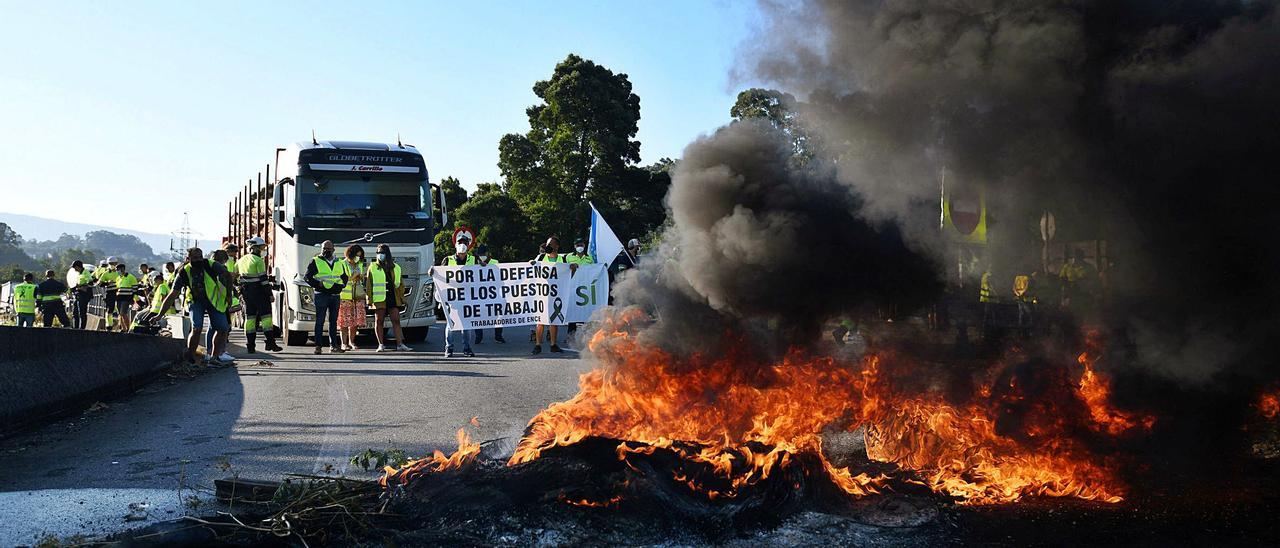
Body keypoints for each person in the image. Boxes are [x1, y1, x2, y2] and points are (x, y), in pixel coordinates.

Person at [155, 247, 234, 365]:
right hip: (195, 301)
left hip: (214, 300)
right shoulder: (183, 272)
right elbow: (172, 294)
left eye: (200, 257)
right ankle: (190, 358)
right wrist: (160, 314)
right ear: (188, 258)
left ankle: (214, 357)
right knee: (197, 328)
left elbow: (227, 276)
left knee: (222, 328)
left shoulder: (211, 265)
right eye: (195, 258)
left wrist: (229, 295)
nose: (199, 260)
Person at [237, 236, 283, 354]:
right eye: (262, 248)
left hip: (246, 294)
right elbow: (264, 280)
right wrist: (270, 294)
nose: (263, 250)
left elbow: (234, 276)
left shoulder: (241, 260)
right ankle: (270, 343)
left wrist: (239, 288)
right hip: (260, 293)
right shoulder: (258, 261)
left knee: (250, 318)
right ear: (255, 248)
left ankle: (250, 346)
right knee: (266, 318)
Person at [304, 240, 348, 354]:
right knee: (320, 321)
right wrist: (318, 284)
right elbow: (307, 277)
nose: (326, 251)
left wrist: (342, 286)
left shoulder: (339, 262)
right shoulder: (315, 261)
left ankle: (333, 346)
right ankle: (318, 346)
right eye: (324, 249)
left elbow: (344, 276)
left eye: (328, 249)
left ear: (333, 250)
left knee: (333, 322)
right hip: (321, 294)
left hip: (335, 295)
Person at [367, 243, 411, 352]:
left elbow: (401, 285)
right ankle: (381, 344)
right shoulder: (372, 267)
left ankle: (400, 344)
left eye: (382, 252)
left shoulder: (396, 267)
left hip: (393, 297)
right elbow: (369, 284)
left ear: (387, 254)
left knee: (396, 320)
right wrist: (369, 299)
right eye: (378, 253)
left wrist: (402, 299)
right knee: (379, 321)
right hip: (379, 298)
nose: (379, 255)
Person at [532, 236, 567, 354]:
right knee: (540, 320)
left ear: (557, 246)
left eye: (551, 244)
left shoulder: (562, 259)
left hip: (556, 293)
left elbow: (568, 273)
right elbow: (531, 265)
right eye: (547, 244)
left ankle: (553, 345)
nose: (548, 246)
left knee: (554, 320)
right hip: (542, 293)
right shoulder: (541, 257)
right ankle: (538, 345)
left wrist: (573, 267)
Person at [441, 236, 475, 357]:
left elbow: (485, 271)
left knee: (466, 325)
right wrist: (432, 271)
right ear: (455, 245)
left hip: (468, 297)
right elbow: (439, 274)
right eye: (460, 242)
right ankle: (449, 348)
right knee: (451, 324)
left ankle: (467, 348)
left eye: (465, 243)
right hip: (452, 298)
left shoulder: (473, 259)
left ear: (468, 245)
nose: (462, 245)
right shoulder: (448, 259)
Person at [471, 244, 505, 344]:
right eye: (480, 254)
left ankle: (498, 336)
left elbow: (501, 277)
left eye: (483, 254)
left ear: (488, 254)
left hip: (494, 294)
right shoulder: (474, 264)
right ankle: (478, 336)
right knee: (479, 316)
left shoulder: (495, 262)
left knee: (498, 316)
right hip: (479, 295)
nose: (482, 256)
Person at [337, 244, 368, 352]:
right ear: (350, 254)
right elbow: (340, 279)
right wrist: (353, 277)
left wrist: (361, 276)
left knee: (355, 322)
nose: (358, 258)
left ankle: (352, 341)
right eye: (357, 255)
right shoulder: (341, 264)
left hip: (357, 296)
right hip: (345, 296)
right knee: (344, 322)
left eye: (360, 256)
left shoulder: (359, 264)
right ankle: (344, 343)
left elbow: (361, 277)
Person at [564, 237, 595, 339]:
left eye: (581, 245)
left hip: (585, 288)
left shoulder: (589, 258)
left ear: (584, 246)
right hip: (572, 287)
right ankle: (570, 335)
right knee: (573, 310)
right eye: (578, 245)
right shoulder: (569, 257)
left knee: (586, 310)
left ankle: (587, 336)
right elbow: (563, 269)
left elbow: (594, 270)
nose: (580, 247)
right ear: (574, 246)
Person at [113, 262, 140, 332]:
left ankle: (128, 328)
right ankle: (123, 328)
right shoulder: (118, 278)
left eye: (118, 270)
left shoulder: (131, 277)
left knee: (123, 313)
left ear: (122, 269)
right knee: (120, 314)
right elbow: (117, 288)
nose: (117, 271)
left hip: (126, 298)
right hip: (119, 298)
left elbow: (135, 289)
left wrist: (134, 298)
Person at [67, 260, 94, 329]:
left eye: (74, 267)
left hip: (84, 295)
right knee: (75, 312)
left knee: (82, 312)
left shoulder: (86, 272)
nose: (74, 269)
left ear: (77, 267)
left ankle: (82, 328)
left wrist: (82, 287)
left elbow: (90, 283)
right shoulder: (79, 274)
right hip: (79, 294)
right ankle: (76, 327)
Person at [97, 256, 121, 330]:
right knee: (109, 309)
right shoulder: (106, 273)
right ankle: (109, 325)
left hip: (119, 292)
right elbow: (100, 284)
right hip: (110, 292)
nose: (113, 264)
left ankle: (120, 325)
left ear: (117, 263)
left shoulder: (119, 273)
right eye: (111, 263)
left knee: (120, 310)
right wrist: (107, 283)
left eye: (114, 263)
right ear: (108, 264)